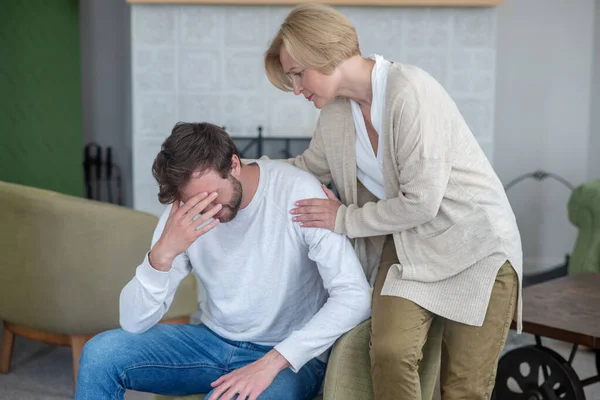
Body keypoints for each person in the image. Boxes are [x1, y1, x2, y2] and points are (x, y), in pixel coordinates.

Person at [264, 4, 523, 400]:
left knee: (463, 389)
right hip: (408, 244)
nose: (297, 89)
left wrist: (343, 219)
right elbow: (306, 167)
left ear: (324, 53)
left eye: (298, 73)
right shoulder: (335, 113)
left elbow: (422, 203)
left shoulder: (409, 91)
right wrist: (241, 171)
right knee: (389, 351)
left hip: (476, 247)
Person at [74, 122, 372, 400]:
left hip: (287, 357)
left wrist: (271, 363)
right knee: (101, 353)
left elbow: (355, 296)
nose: (209, 209)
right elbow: (133, 321)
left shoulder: (297, 194)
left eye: (213, 195)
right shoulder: (186, 213)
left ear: (233, 164)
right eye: (197, 202)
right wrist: (162, 254)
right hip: (211, 342)